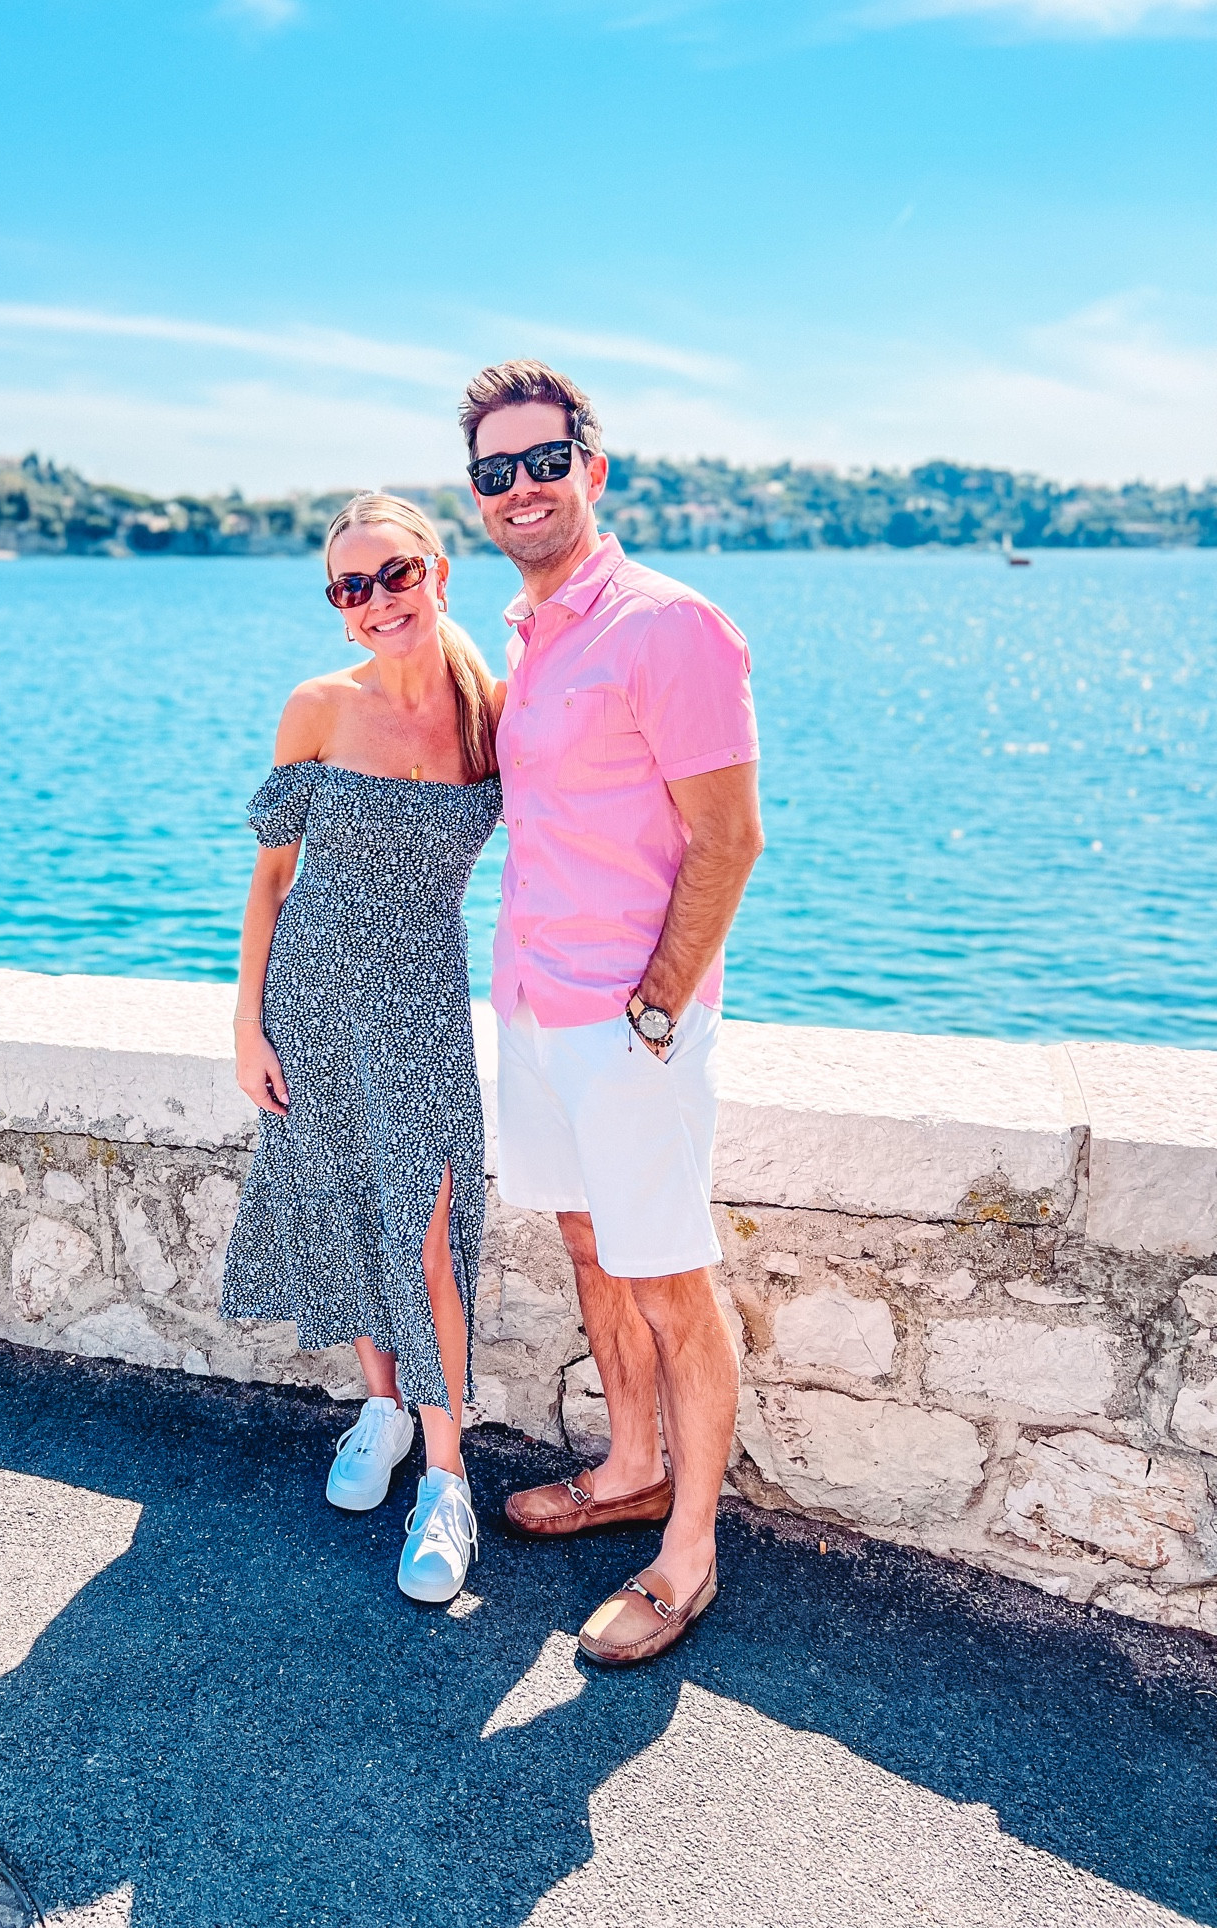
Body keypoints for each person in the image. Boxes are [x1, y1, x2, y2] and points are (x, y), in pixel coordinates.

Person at [463, 359, 764, 1667]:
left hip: (629, 1024)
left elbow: (731, 839)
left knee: (668, 1277)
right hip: (532, 1005)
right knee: (589, 1241)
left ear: (594, 462)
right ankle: (631, 1463)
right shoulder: (531, 635)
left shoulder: (667, 625)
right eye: (494, 472)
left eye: (544, 460)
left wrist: (653, 1013)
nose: (522, 487)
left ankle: (686, 1551)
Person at [220, 492, 503, 1605]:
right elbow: (273, 877)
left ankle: (448, 1480)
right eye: (353, 585)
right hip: (315, 996)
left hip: (425, 1004)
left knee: (425, 1230)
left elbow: (587, 825)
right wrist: (247, 1021)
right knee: (346, 1203)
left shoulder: (493, 713)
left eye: (395, 574)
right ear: (338, 607)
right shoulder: (316, 708)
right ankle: (383, 1411)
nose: (378, 598)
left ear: (439, 571)